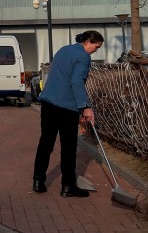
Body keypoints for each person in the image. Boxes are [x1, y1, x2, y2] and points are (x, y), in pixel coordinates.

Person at [32, 30, 104, 197]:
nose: (96, 50)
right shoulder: (84, 57)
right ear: (87, 42)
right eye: (96, 46)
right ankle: (68, 186)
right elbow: (77, 81)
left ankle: (38, 181)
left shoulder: (64, 49)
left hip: (49, 103)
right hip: (66, 107)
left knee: (46, 143)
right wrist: (86, 107)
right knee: (68, 147)